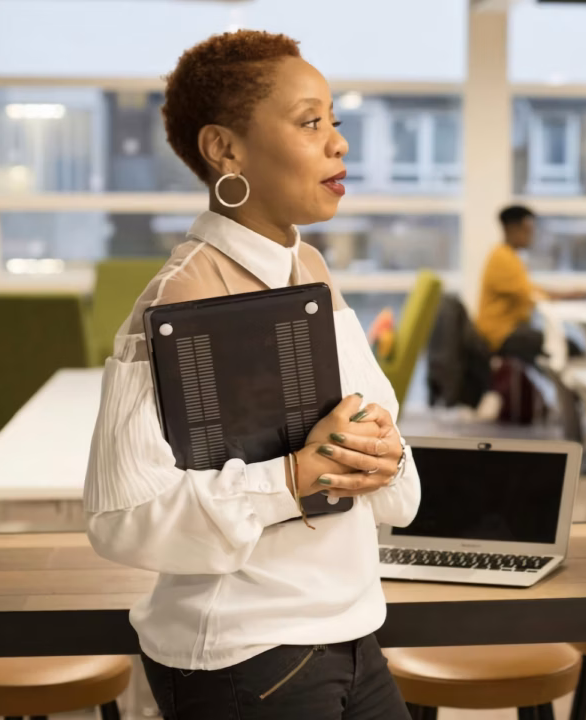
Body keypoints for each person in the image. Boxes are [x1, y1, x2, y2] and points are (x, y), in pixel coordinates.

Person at [82, 30, 419, 720]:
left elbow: (391, 488)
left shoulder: (313, 271)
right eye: (310, 122)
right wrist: (297, 476)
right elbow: (122, 519)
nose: (339, 144)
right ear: (224, 149)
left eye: (336, 121)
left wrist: (384, 456)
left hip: (354, 634)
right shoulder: (183, 297)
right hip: (249, 656)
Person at [475, 205, 585, 365]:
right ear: (512, 229)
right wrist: (569, 296)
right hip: (499, 335)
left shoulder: (508, 256)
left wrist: (570, 294)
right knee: (567, 347)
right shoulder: (502, 259)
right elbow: (532, 296)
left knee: (557, 344)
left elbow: (531, 289)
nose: (531, 235)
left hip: (507, 331)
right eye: (528, 230)